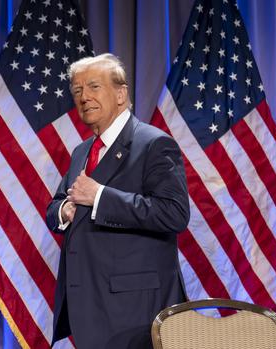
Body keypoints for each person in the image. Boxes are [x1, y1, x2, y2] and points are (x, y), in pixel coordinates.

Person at [46, 53, 189, 349]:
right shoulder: (82, 152)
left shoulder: (154, 144)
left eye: (94, 87)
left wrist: (100, 196)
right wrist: (65, 210)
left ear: (121, 94)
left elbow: (174, 213)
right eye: (76, 91)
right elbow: (56, 206)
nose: (83, 97)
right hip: (89, 306)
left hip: (134, 312)